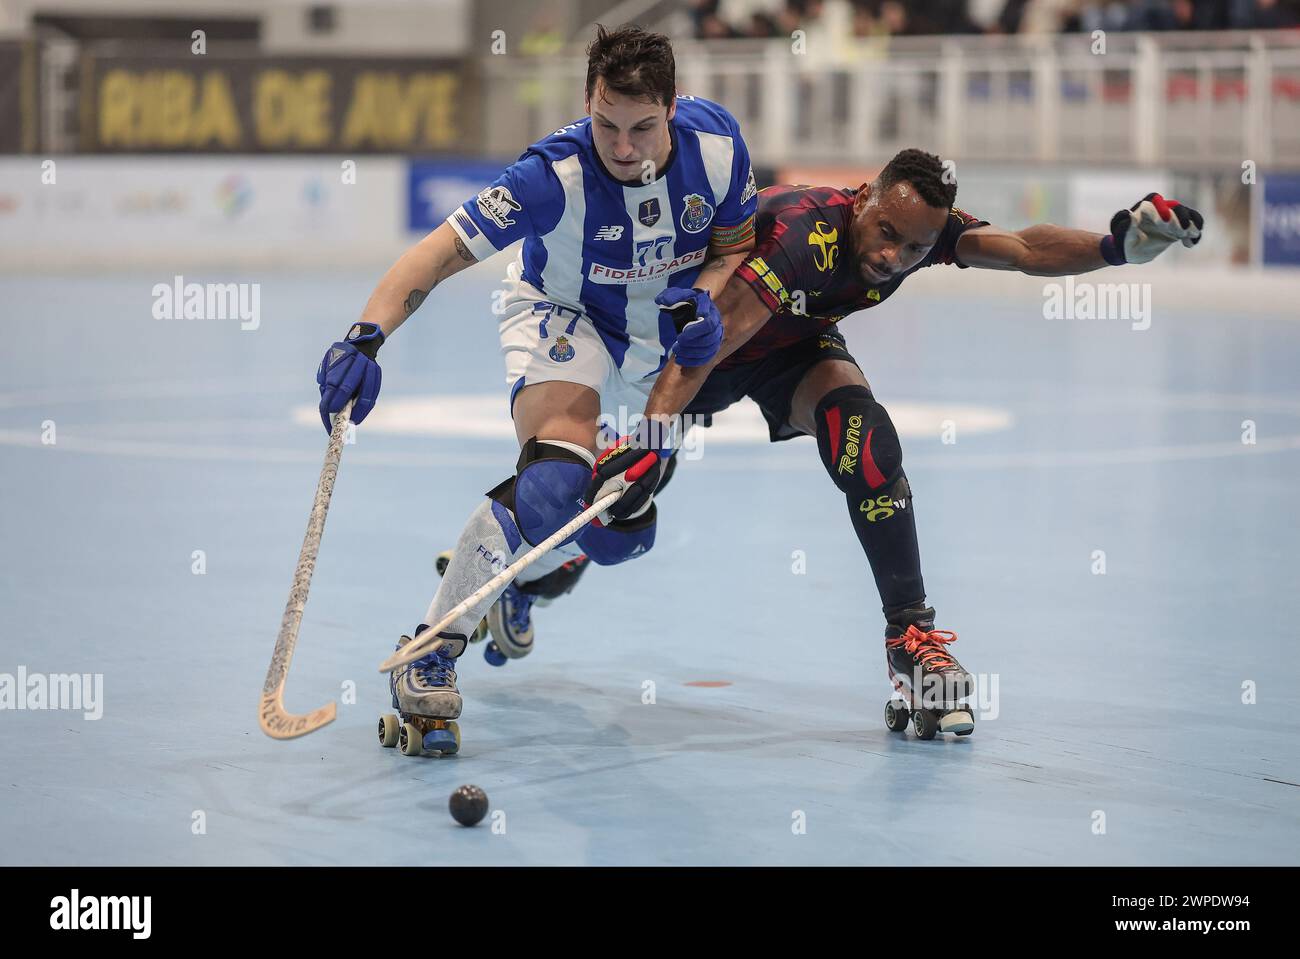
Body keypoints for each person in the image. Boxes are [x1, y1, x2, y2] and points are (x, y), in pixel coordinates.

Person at [587, 148, 1203, 739]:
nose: (892, 255)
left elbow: (1021, 250)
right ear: (864, 199)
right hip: (695, 353)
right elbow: (712, 343)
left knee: (870, 449)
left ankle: (912, 643)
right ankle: (534, 585)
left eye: (915, 248)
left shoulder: (920, 233)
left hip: (790, 348)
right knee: (616, 509)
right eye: (885, 231)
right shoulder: (805, 238)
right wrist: (653, 438)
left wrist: (1112, 247)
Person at [316, 25, 758, 756]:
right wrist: (366, 335)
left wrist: (706, 302)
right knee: (556, 483)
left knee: (622, 531)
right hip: (563, 312)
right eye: (606, 123)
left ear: (672, 110)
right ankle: (431, 649)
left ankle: (522, 581)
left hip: (660, 339)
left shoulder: (718, 149)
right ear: (588, 102)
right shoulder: (550, 174)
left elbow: (735, 245)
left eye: (642, 128)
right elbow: (440, 251)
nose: (623, 146)